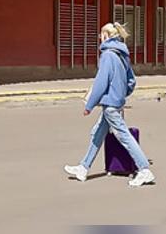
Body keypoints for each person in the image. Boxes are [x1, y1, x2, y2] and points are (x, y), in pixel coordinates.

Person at [64, 22, 155, 186]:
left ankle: (144, 170)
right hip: (116, 103)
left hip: (110, 105)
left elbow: (100, 83)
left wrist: (89, 105)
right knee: (98, 134)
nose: (99, 38)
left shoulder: (107, 55)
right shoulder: (122, 55)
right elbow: (131, 81)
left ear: (106, 36)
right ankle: (83, 168)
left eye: (101, 35)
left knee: (124, 136)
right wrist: (121, 94)